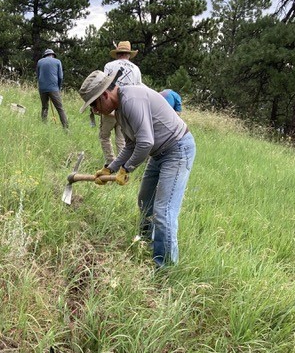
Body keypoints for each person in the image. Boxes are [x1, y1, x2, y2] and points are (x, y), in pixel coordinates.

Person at [78, 70, 196, 268]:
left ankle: (164, 268)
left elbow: (145, 142)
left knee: (163, 211)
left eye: (94, 105)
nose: (96, 112)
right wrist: (110, 168)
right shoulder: (121, 109)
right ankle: (144, 245)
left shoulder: (132, 99)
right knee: (145, 201)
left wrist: (126, 168)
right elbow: (132, 145)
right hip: (159, 153)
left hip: (177, 150)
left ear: (105, 95)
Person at [93, 41, 142, 166]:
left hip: (109, 107)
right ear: (129, 54)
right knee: (122, 140)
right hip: (126, 109)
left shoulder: (109, 66)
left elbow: (103, 86)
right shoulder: (136, 69)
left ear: (117, 53)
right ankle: (122, 165)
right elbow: (138, 90)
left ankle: (110, 161)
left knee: (104, 136)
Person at [36, 49, 68, 128]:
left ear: (45, 55)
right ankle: (66, 128)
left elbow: (38, 75)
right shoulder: (57, 62)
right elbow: (60, 76)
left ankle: (44, 125)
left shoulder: (39, 62)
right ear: (52, 55)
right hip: (54, 88)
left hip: (42, 88)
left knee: (44, 107)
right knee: (60, 108)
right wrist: (58, 88)